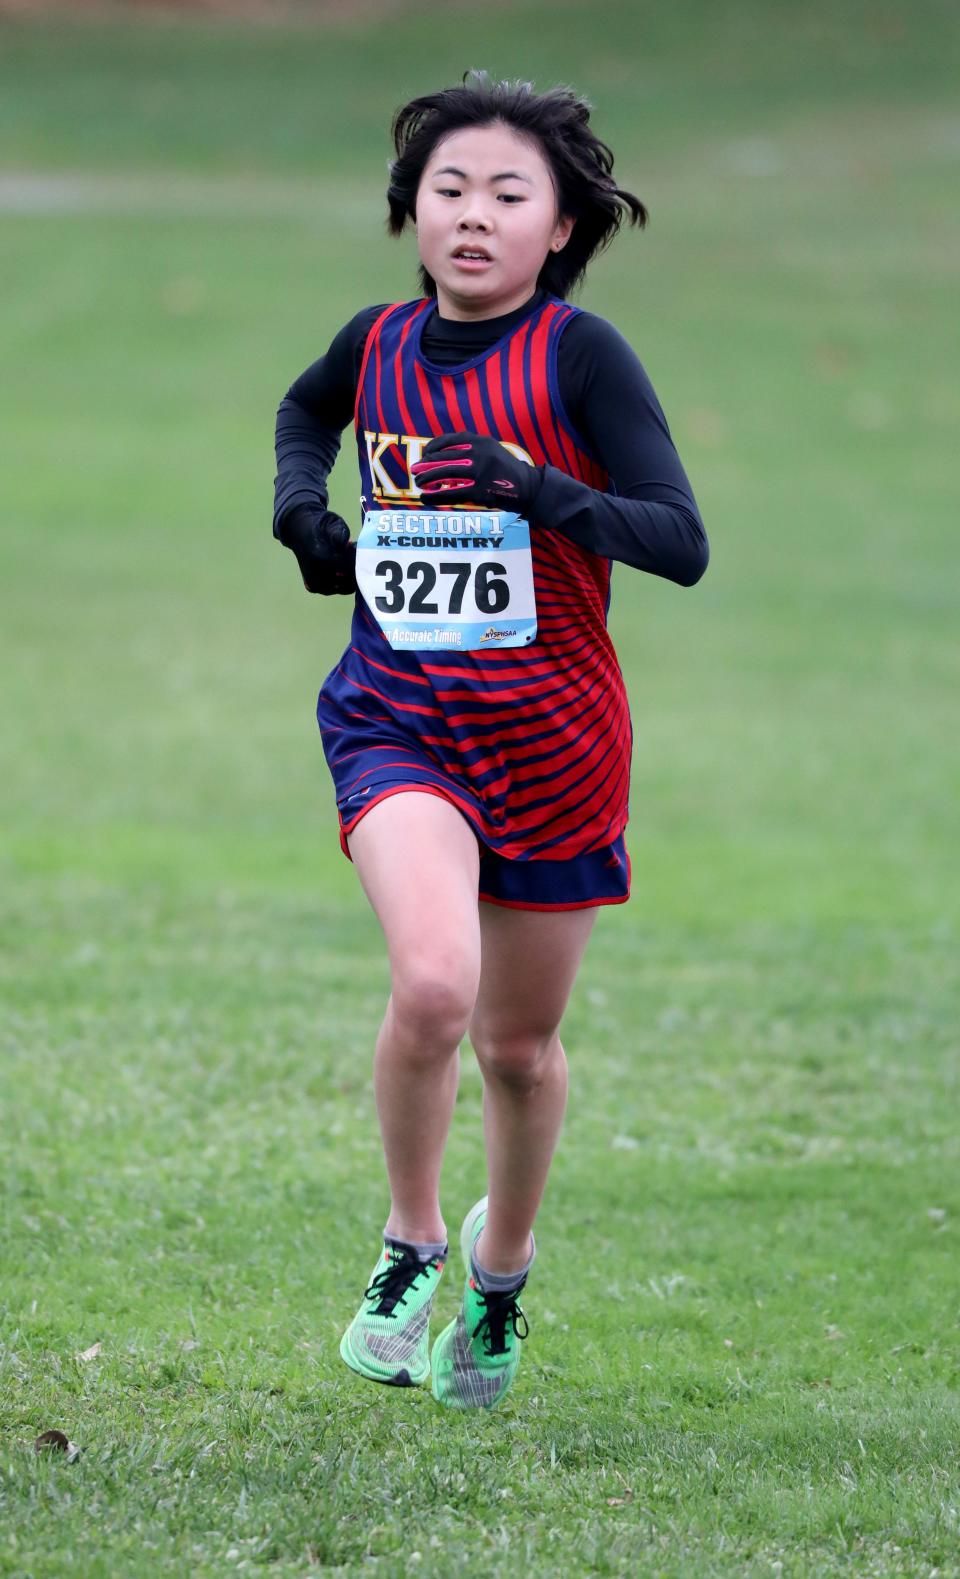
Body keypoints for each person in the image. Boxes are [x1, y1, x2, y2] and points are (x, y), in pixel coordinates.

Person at [272, 70, 708, 1410]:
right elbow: (306, 416)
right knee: (435, 988)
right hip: (398, 716)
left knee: (517, 1049)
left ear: (561, 227)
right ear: (413, 214)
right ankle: (409, 1245)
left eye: (508, 196)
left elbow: (678, 541)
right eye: (447, 191)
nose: (473, 217)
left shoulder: (583, 359)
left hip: (554, 743)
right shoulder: (377, 341)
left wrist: (541, 491)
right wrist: (304, 516)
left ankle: (499, 1268)